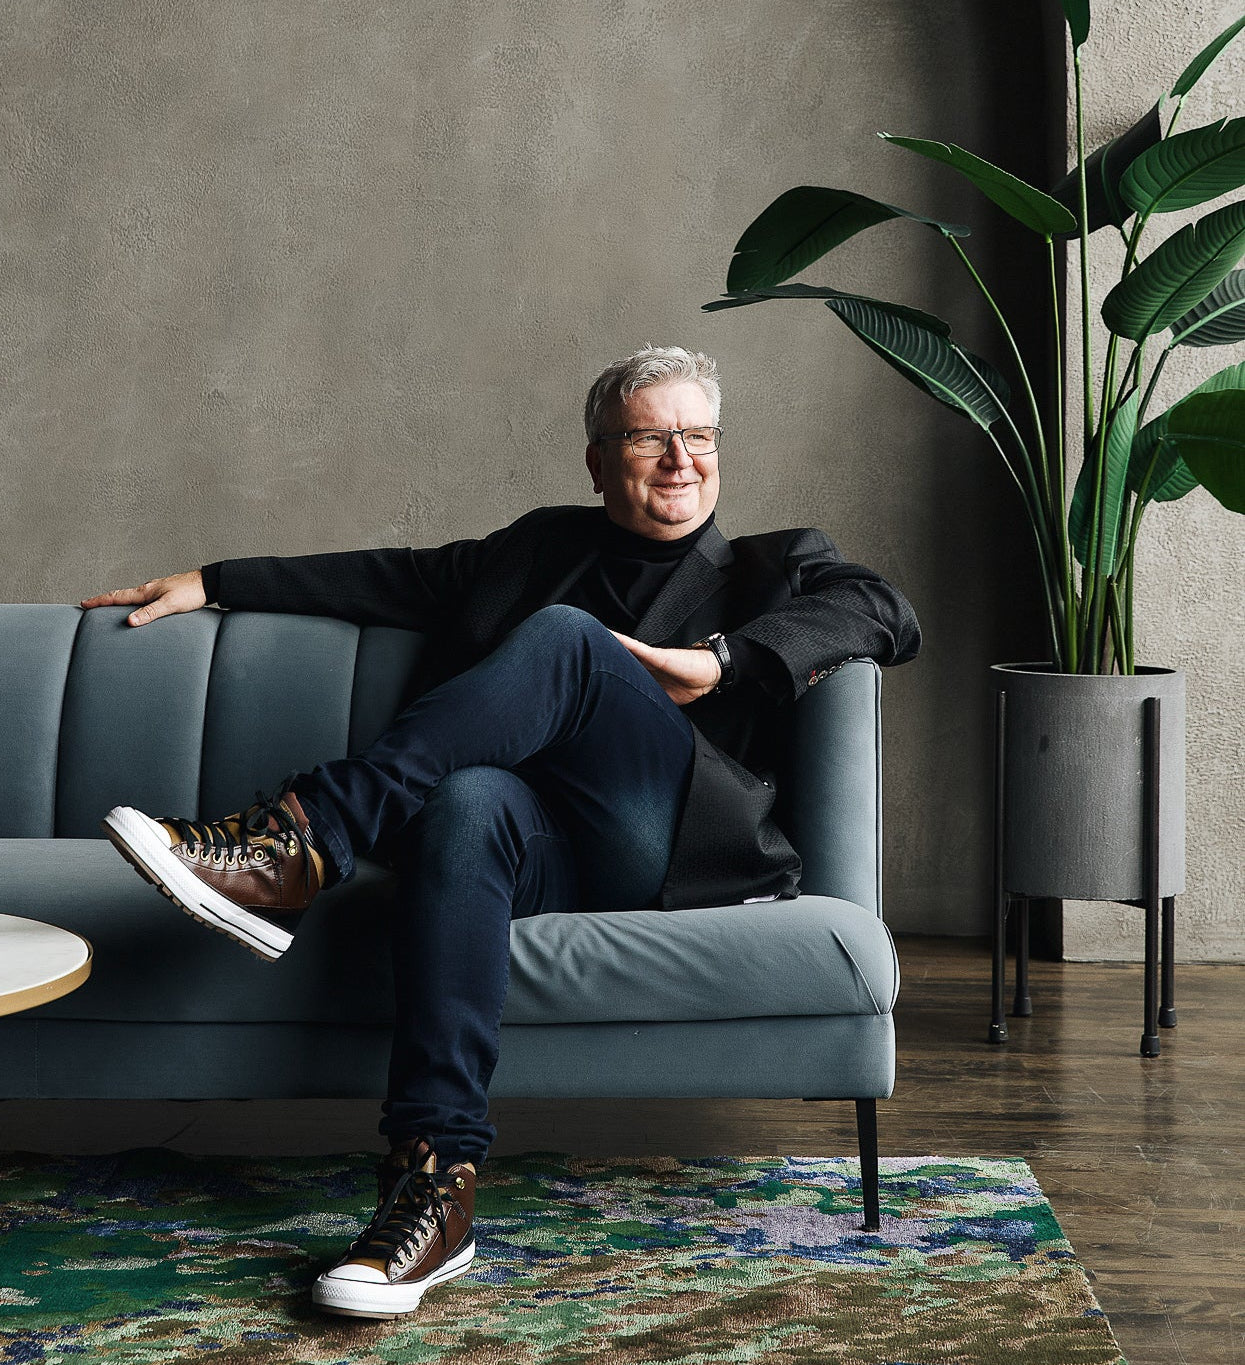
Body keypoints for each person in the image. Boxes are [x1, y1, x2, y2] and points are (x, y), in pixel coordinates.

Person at [81, 344, 921, 1320]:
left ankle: (301, 840)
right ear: (599, 459)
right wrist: (215, 578)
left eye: (698, 437)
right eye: (650, 438)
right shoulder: (534, 552)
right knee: (470, 798)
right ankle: (433, 1188)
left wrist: (725, 662)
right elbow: (388, 577)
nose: (680, 459)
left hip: (675, 845)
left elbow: (886, 611)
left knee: (566, 636)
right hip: (536, 851)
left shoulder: (775, 566)